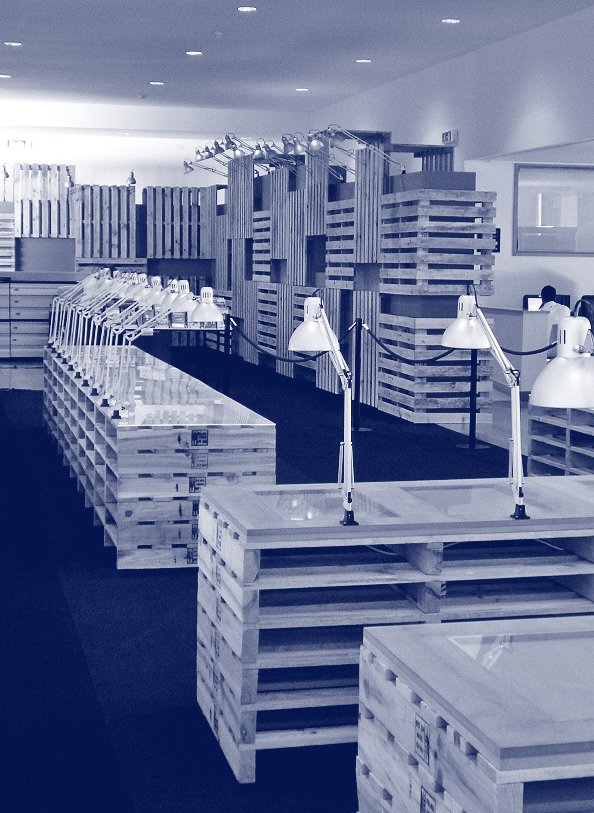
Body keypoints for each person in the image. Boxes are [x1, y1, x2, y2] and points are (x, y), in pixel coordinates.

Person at [539, 285, 570, 352]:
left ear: (542, 298)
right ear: (555, 297)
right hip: (564, 350)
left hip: (544, 350)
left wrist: (539, 309)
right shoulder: (565, 309)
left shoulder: (539, 313)